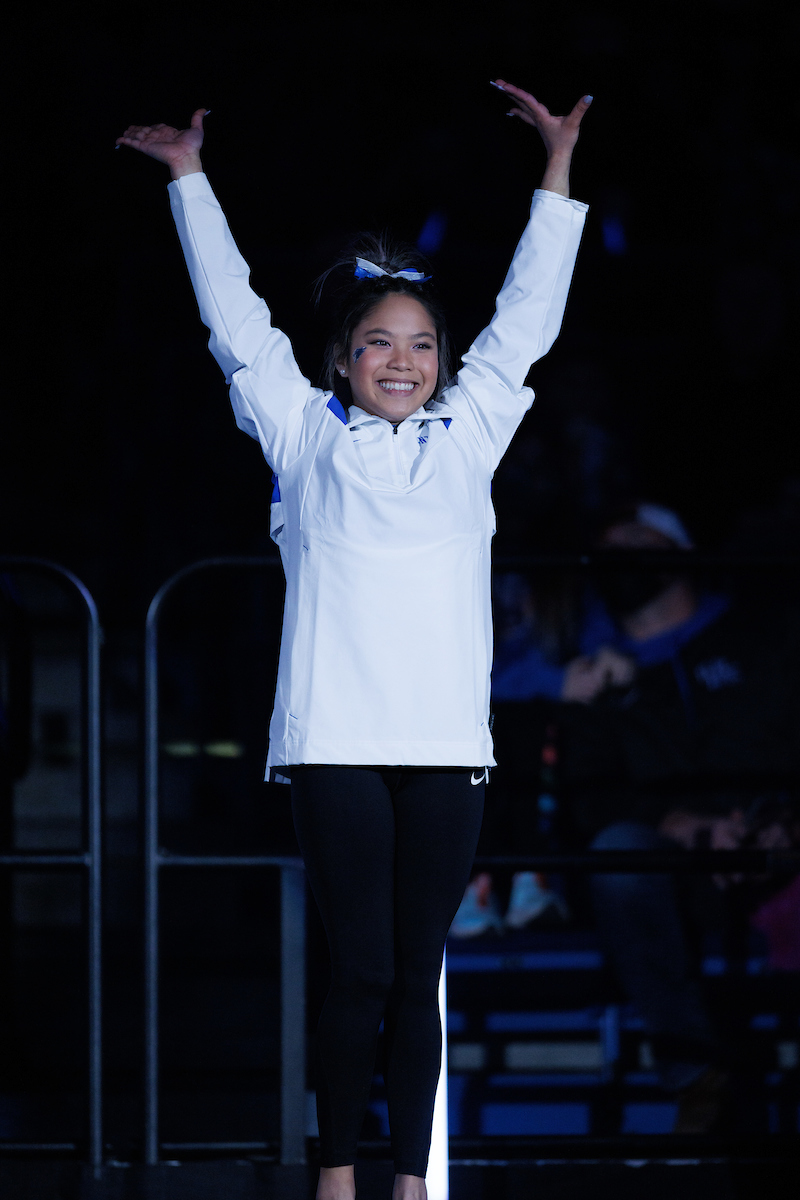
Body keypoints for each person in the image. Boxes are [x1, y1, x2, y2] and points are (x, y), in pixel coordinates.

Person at [117, 81, 591, 1199]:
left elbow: (526, 318)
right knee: (361, 972)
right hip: (334, 739)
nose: (401, 360)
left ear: (442, 360)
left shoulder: (468, 433)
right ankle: (336, 1181)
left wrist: (555, 171)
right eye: (378, 343)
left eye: (420, 344)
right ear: (341, 358)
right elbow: (237, 326)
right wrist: (189, 179)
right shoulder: (302, 435)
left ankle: (410, 1185)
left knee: (418, 973)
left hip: (443, 744)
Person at [557, 503, 800, 1130]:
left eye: (638, 539)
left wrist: (782, 821)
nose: (621, 556)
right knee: (619, 855)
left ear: (679, 550)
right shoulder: (596, 677)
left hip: (781, 850)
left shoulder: (765, 636)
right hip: (680, 868)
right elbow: (591, 796)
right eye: (609, 545)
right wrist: (683, 826)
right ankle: (696, 1076)